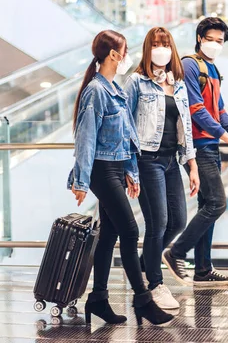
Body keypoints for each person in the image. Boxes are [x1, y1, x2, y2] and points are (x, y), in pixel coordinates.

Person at [68, 30, 173, 326]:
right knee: (130, 232)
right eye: (124, 51)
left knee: (110, 236)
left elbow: (127, 137)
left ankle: (98, 299)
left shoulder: (115, 90)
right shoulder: (96, 91)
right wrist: (81, 181)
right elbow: (85, 139)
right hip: (101, 170)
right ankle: (143, 300)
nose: (127, 56)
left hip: (115, 167)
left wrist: (131, 172)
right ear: (113, 55)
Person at [163, 17, 228, 287]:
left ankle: (203, 269)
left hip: (210, 146)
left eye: (220, 41)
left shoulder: (212, 68)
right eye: (210, 39)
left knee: (206, 204)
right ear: (199, 37)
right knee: (217, 204)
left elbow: (219, 110)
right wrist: (223, 135)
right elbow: (196, 109)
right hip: (197, 146)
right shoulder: (189, 65)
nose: (214, 44)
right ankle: (176, 252)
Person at [123, 26, 200, 310]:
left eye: (165, 44)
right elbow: (125, 126)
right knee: (158, 225)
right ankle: (155, 285)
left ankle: (148, 263)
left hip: (172, 160)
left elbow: (187, 128)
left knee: (178, 221)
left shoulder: (177, 83)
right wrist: (129, 168)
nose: (161, 49)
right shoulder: (136, 82)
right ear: (147, 49)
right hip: (147, 160)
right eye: (155, 44)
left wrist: (191, 164)